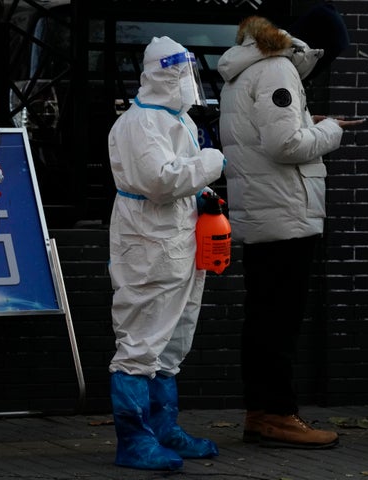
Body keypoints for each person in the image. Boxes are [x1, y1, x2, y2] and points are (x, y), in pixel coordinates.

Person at [217, 12, 364, 448]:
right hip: (285, 214)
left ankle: (262, 413)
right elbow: (286, 145)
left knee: (263, 318)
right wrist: (329, 129)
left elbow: (264, 133)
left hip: (264, 213)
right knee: (279, 322)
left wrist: (306, 123)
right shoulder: (278, 68)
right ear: (313, 46)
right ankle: (278, 415)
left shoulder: (246, 69)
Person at [107, 36, 226, 470]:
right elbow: (160, 180)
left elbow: (182, 179)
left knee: (173, 342)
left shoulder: (180, 122)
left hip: (181, 240)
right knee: (141, 340)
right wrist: (212, 163)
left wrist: (206, 193)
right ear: (166, 73)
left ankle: (163, 429)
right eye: (183, 72)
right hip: (149, 245)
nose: (189, 81)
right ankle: (134, 439)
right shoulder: (140, 123)